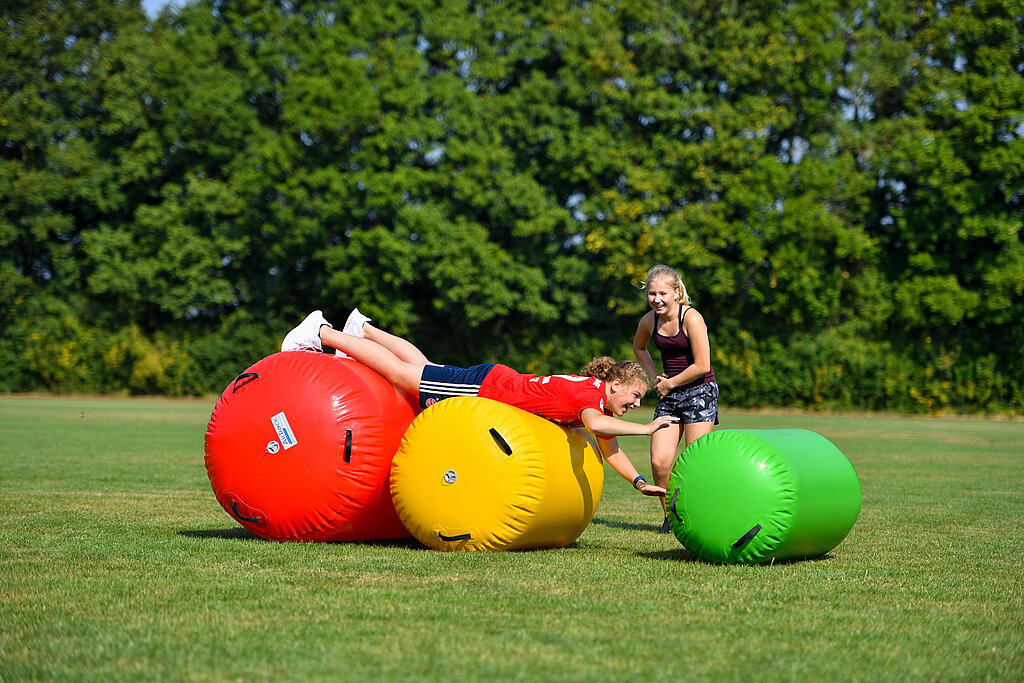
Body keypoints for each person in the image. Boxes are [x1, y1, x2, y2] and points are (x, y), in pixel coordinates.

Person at [281, 309, 676, 496]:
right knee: (405, 377)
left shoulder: (596, 399)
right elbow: (602, 428)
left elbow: (610, 449)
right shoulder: (589, 396)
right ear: (617, 382)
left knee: (423, 366)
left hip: (492, 383)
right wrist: (647, 429)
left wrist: (640, 482)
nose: (637, 405)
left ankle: (361, 328)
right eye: (636, 396)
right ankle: (323, 332)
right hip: (487, 389)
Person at [632, 265, 719, 533]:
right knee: (659, 461)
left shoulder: (691, 318)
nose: (656, 299)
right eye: (651, 293)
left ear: (676, 292)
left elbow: (702, 364)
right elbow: (639, 347)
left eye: (662, 293)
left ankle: (701, 516)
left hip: (700, 391)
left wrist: (670, 382)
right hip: (669, 392)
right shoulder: (649, 321)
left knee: (695, 461)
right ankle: (672, 517)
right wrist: (656, 376)